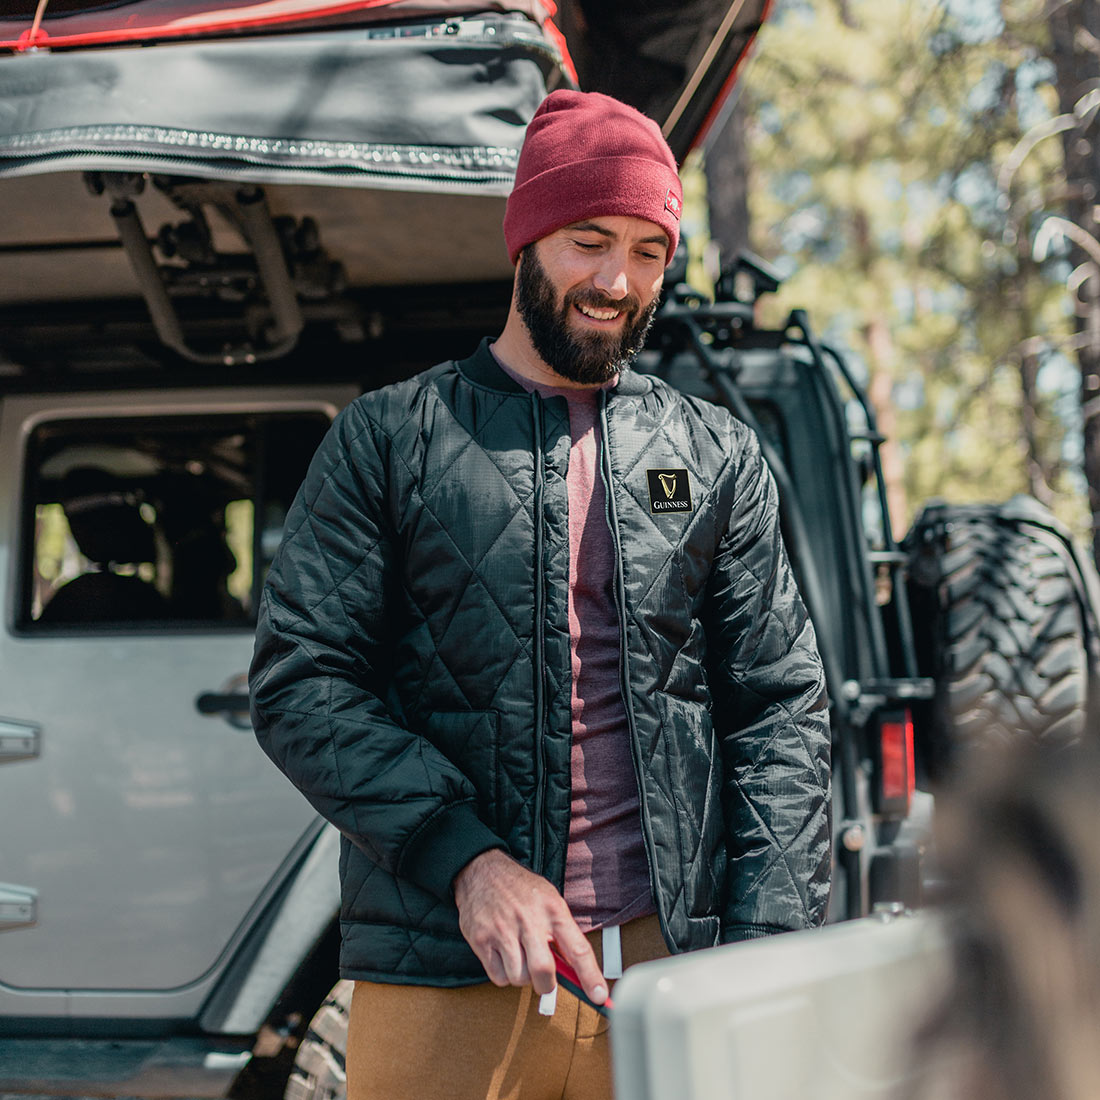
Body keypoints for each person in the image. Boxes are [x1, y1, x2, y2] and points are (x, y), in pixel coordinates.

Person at [249, 89, 831, 1100]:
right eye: (587, 239)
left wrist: (768, 944)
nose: (616, 280)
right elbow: (303, 682)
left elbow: (779, 706)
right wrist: (468, 860)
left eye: (648, 251)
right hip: (443, 957)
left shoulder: (715, 452)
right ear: (524, 238)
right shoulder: (389, 439)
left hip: (664, 965)